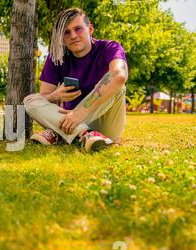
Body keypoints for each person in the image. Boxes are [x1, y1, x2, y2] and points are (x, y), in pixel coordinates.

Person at [23, 8, 129, 152]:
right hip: (70, 121)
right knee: (30, 100)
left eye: (78, 29)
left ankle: (59, 134)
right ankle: (84, 135)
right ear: (61, 37)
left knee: (116, 83)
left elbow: (119, 75)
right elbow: (43, 97)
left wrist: (81, 112)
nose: (73, 36)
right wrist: (55, 96)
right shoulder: (56, 56)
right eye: (67, 32)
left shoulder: (109, 47)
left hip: (104, 123)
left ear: (90, 29)